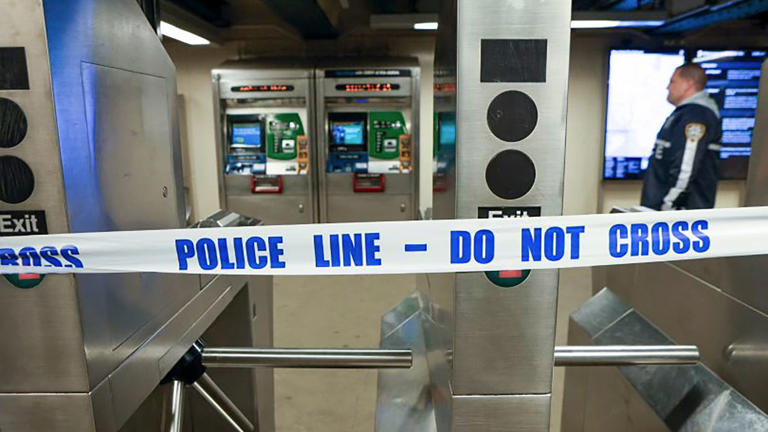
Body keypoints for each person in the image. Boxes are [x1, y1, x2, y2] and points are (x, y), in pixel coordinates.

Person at [641, 63, 722, 210]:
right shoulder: (684, 113)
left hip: (680, 215)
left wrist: (669, 205)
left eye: (672, 82)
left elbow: (687, 164)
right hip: (667, 211)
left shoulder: (696, 115)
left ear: (688, 84)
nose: (668, 87)